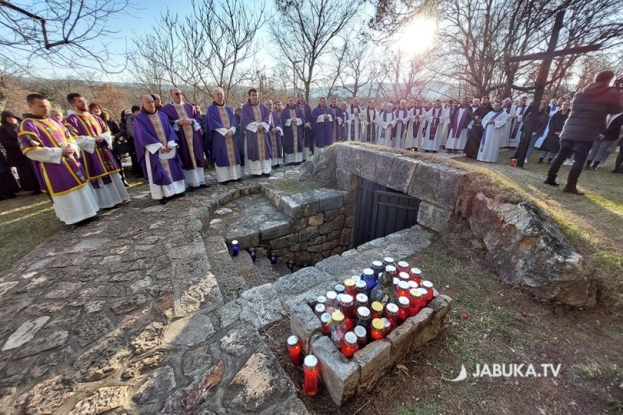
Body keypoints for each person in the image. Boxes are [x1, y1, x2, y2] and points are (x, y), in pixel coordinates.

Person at [18, 93, 99, 224]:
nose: (46, 109)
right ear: (30, 106)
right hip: (53, 166)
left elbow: (69, 137)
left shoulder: (54, 121)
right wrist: (60, 152)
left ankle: (89, 212)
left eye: (48, 106)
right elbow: (31, 151)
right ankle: (75, 218)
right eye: (42, 106)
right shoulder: (27, 125)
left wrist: (72, 146)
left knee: (80, 186)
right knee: (65, 189)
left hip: (71, 160)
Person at [545, 70, 623, 195]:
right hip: (587, 131)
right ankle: (570, 186)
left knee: (561, 154)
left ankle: (550, 178)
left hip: (569, 129)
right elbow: (617, 109)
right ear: (609, 80)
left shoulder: (580, 93)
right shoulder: (610, 94)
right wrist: (617, 94)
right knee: (579, 159)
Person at [65, 93, 130, 209]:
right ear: (73, 104)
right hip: (89, 153)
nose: (84, 103)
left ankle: (118, 198)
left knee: (111, 174)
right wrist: (93, 140)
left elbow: (107, 131)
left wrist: (104, 137)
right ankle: (105, 203)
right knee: (98, 176)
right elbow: (73, 138)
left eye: (84, 100)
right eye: (80, 101)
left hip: (104, 150)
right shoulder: (70, 120)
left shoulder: (94, 117)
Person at [133, 94, 187, 204]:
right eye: (148, 102)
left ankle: (177, 190)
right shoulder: (139, 118)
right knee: (158, 170)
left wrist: (171, 143)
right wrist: (159, 146)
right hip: (154, 151)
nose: (151, 104)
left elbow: (170, 130)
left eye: (152, 101)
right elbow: (142, 134)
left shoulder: (162, 115)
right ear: (143, 104)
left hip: (168, 148)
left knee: (173, 168)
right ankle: (162, 195)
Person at [161, 88, 207, 190]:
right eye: (176, 94)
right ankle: (190, 184)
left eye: (180, 93)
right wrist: (177, 122)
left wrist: (192, 121)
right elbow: (165, 123)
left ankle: (200, 181)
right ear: (171, 95)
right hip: (180, 138)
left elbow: (199, 118)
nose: (179, 95)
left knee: (197, 157)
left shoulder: (190, 107)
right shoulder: (166, 109)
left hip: (194, 138)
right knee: (186, 158)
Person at [206, 87, 242, 184]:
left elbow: (234, 120)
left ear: (224, 95)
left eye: (221, 94)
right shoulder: (211, 109)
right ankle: (224, 178)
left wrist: (232, 130)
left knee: (233, 154)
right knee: (221, 155)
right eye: (217, 94)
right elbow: (212, 122)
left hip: (231, 135)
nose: (219, 96)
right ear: (214, 96)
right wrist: (225, 132)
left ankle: (235, 176)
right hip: (219, 137)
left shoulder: (229, 108)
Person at [0, 110, 40, 194]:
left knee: (34, 169)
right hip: (17, 154)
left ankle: (39, 185)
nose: (11, 119)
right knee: (26, 171)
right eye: (8, 118)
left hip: (29, 150)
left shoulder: (21, 124)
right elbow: (6, 142)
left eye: (12, 117)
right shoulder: (3, 129)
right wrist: (22, 144)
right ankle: (32, 188)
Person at [241, 88, 272, 176]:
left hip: (263, 133)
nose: (255, 97)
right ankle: (255, 172)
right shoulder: (245, 107)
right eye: (253, 95)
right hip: (252, 134)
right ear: (249, 96)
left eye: (256, 95)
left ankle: (266, 170)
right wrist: (256, 125)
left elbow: (268, 117)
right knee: (254, 151)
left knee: (264, 151)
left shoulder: (263, 107)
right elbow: (244, 119)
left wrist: (263, 124)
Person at [100, 111, 130, 186]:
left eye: (97, 108)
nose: (96, 110)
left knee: (118, 163)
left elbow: (120, 132)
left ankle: (123, 180)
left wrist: (115, 136)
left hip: (113, 145)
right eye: (94, 109)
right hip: (102, 147)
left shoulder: (110, 122)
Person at [281, 96, 305, 165]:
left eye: (292, 100)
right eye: (289, 101)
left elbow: (303, 118)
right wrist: (290, 121)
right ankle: (289, 161)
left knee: (298, 144)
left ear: (294, 101)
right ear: (287, 102)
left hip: (298, 131)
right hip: (289, 132)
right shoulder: (284, 111)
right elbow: (282, 120)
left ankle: (298, 160)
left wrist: (297, 120)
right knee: (289, 144)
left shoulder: (298, 109)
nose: (291, 102)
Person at [265, 99, 284, 167]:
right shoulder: (264, 114)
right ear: (265, 105)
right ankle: (270, 163)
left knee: (277, 147)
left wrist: (277, 128)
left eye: (270, 105)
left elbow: (280, 122)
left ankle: (276, 162)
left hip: (276, 134)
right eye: (267, 104)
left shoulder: (274, 114)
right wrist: (271, 129)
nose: (269, 106)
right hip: (268, 134)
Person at [295, 92, 313, 160]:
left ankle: (306, 157)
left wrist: (308, 123)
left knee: (306, 141)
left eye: (303, 96)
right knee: (299, 141)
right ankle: (299, 158)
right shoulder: (295, 106)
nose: (302, 97)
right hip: (298, 127)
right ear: (298, 97)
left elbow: (310, 116)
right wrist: (301, 123)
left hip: (307, 127)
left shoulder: (307, 106)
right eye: (300, 96)